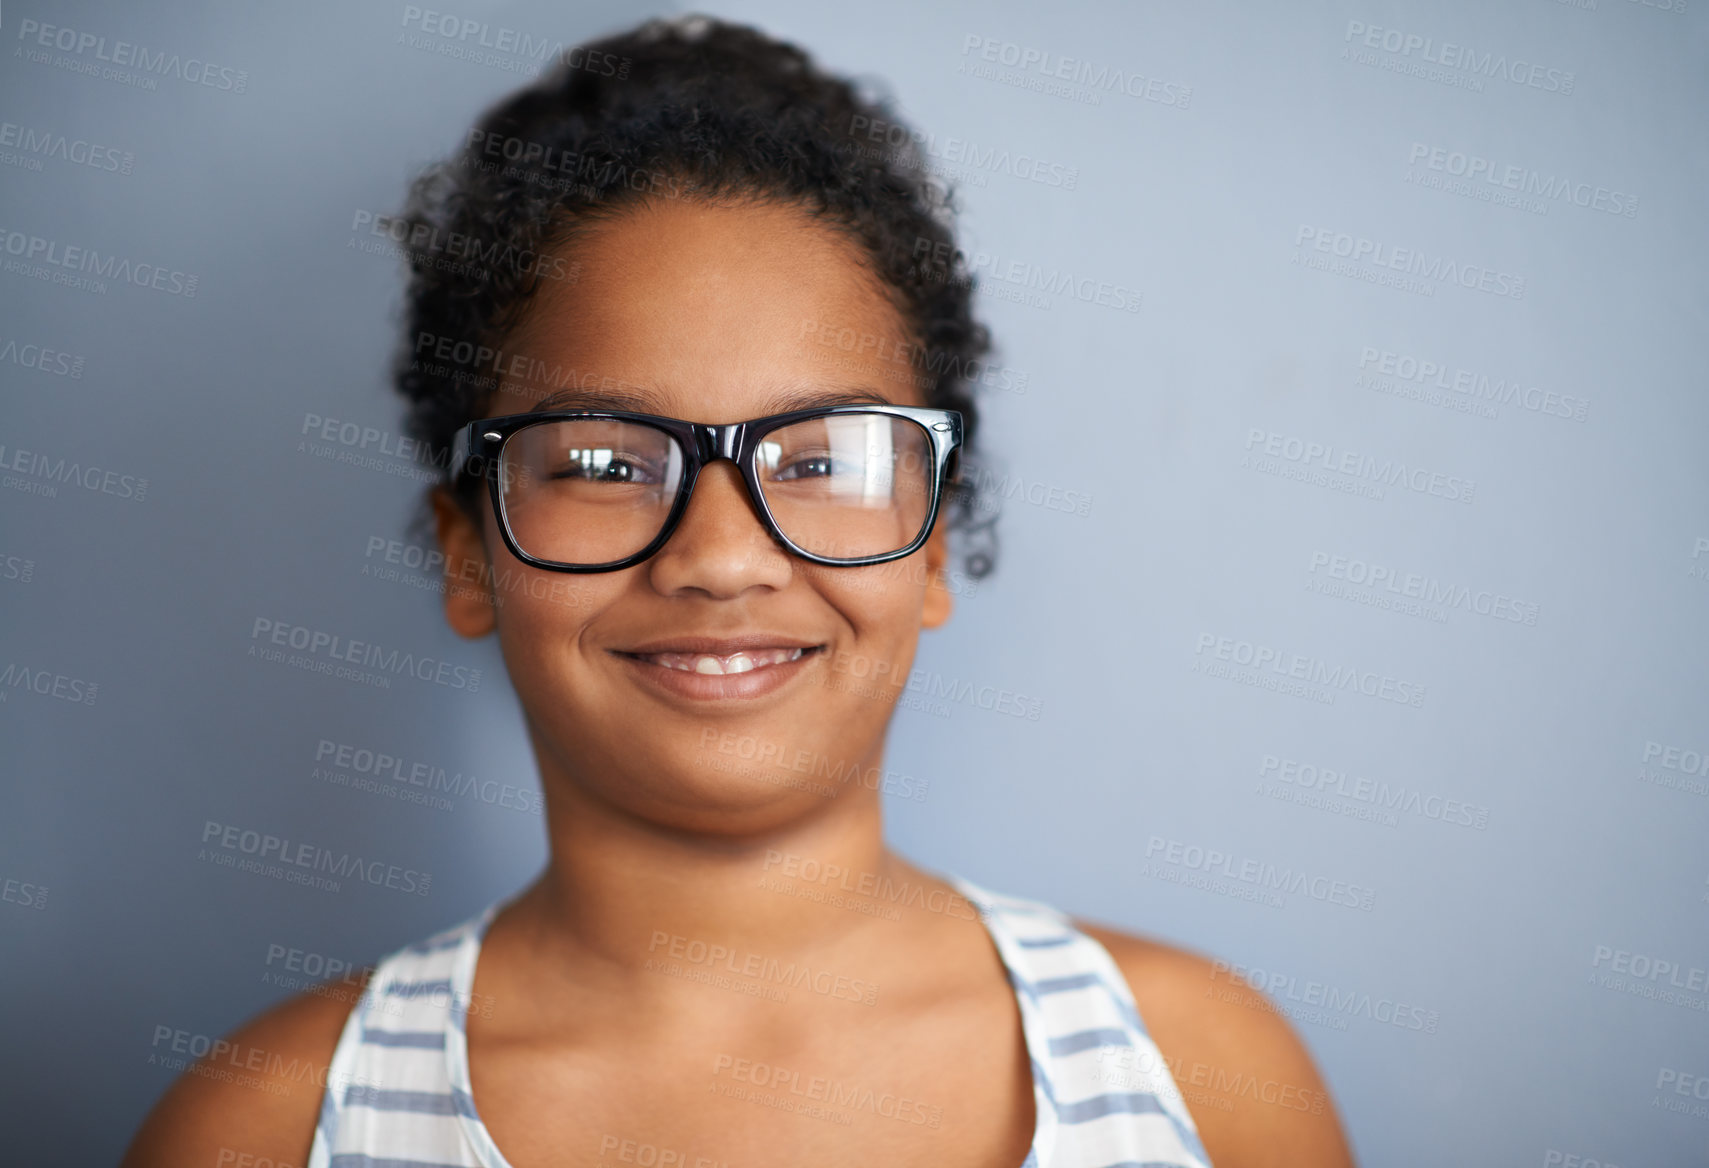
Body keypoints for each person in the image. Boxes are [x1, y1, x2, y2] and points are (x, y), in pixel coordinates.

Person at [124, 15, 1355, 1167]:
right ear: (467, 553)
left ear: (928, 545)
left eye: (821, 459)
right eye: (605, 462)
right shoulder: (266, 1122)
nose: (718, 555)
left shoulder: (1204, 1070)